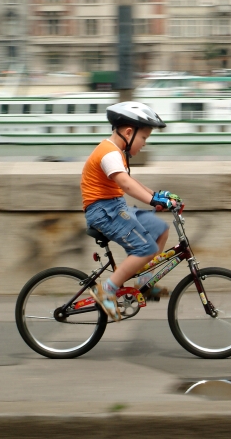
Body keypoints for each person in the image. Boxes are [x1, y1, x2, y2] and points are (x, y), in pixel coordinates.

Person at [81, 101, 181, 321]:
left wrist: (158, 196)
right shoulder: (108, 153)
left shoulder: (116, 153)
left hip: (116, 207)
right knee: (146, 248)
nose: (145, 144)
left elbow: (130, 183)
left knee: (160, 230)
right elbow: (126, 185)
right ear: (129, 132)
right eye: (144, 138)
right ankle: (106, 290)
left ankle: (144, 285)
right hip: (103, 211)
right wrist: (154, 199)